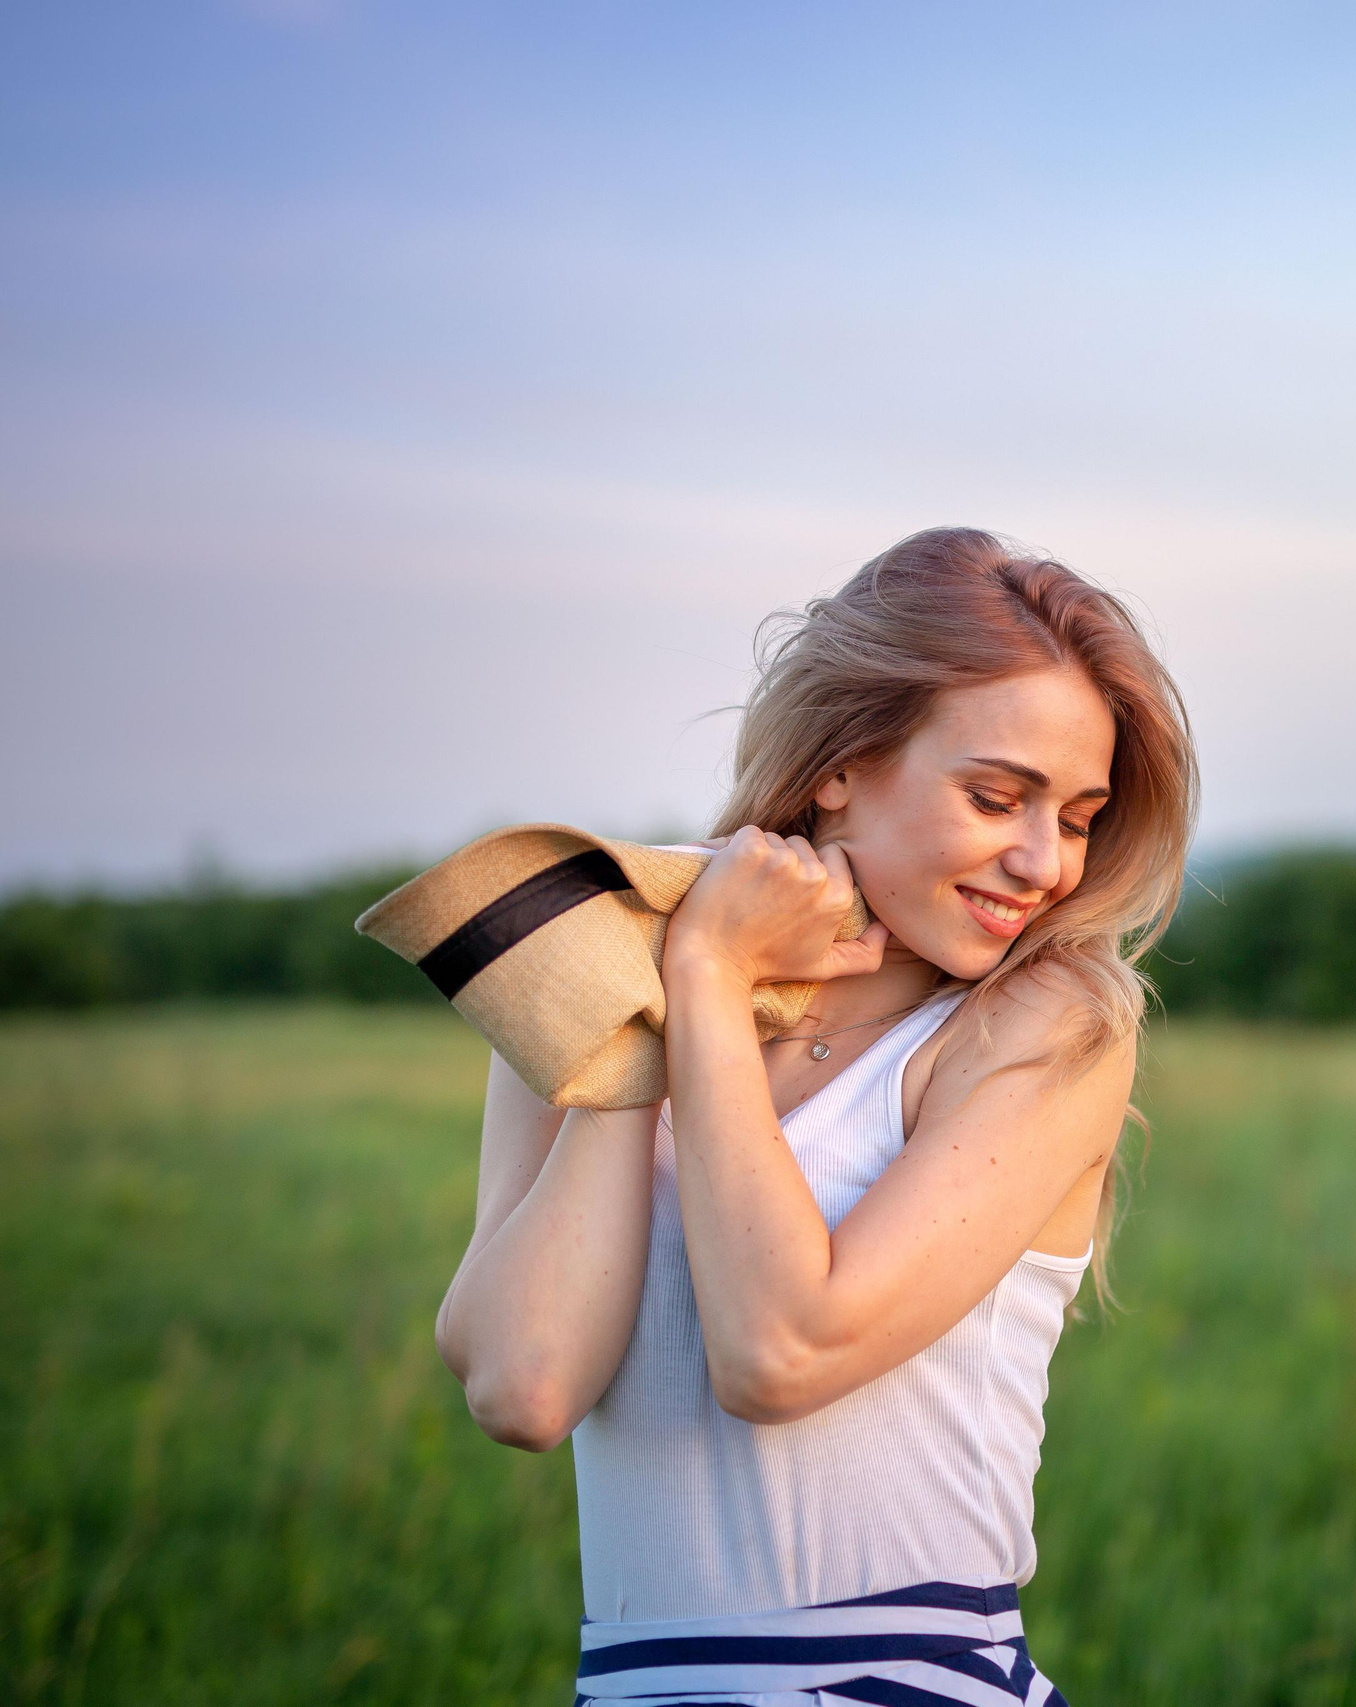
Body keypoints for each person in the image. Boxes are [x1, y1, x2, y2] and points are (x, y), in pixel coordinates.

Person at [432, 528, 1196, 1705]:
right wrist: (660, 996)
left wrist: (704, 981)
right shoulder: (611, 963)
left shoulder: (1047, 1023)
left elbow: (780, 1354)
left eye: (1079, 816)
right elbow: (522, 1386)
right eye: (996, 798)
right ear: (841, 762)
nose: (1043, 862)